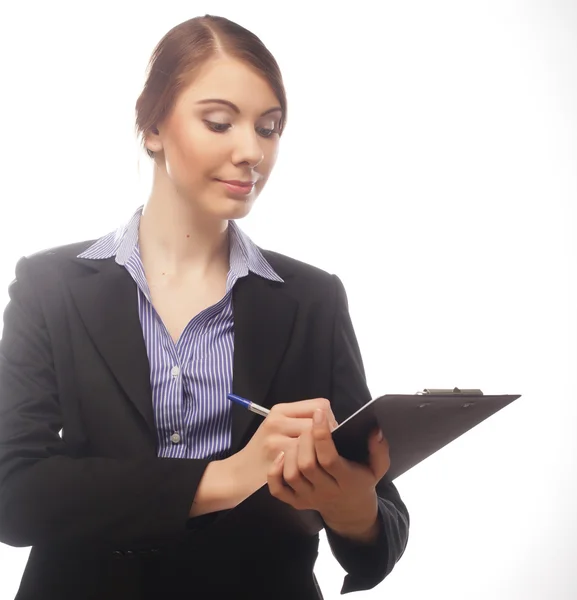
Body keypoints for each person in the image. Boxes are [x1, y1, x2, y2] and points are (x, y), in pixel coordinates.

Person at [0, 14, 409, 600]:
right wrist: (226, 477)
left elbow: (384, 529)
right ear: (152, 127)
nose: (252, 152)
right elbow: (13, 494)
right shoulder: (49, 286)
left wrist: (352, 508)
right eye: (220, 122)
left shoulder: (312, 298)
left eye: (269, 128)